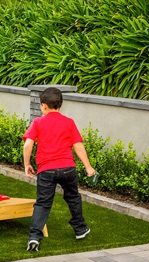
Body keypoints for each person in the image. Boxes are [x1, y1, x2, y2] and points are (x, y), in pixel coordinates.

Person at [23, 87, 96, 252]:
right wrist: (88, 167)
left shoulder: (38, 122)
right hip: (68, 168)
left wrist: (27, 164)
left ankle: (34, 237)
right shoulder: (68, 122)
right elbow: (78, 146)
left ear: (43, 106)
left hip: (46, 170)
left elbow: (28, 144)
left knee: (43, 203)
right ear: (60, 105)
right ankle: (80, 229)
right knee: (73, 198)